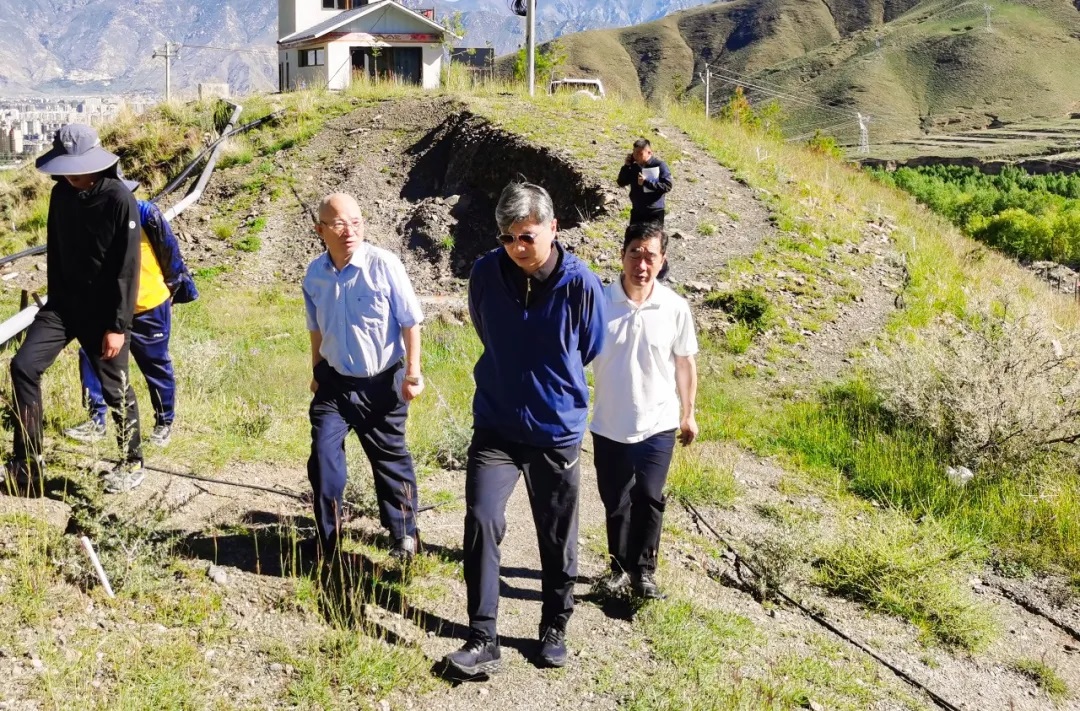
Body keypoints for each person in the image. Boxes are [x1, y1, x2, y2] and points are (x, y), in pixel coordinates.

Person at [442, 182, 605, 678]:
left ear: (552, 228)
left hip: (555, 431)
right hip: (496, 425)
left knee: (556, 533)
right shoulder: (486, 273)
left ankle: (554, 626)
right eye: (508, 237)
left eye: (526, 237)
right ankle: (482, 637)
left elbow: (591, 344)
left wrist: (549, 386)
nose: (516, 247)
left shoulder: (581, 284)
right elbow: (485, 328)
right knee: (482, 519)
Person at [4, 124, 144, 495]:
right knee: (23, 366)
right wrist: (53, 303)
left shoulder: (119, 198)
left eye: (77, 169)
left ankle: (131, 462)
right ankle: (28, 460)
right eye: (65, 169)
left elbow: (127, 266)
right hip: (63, 307)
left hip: (105, 314)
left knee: (115, 388)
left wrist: (118, 325)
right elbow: (56, 250)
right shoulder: (60, 194)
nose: (70, 176)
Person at [303, 193, 425, 563]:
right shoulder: (315, 274)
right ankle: (328, 540)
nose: (349, 231)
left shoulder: (384, 265)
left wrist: (413, 373)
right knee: (323, 458)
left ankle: (404, 535)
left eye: (356, 222)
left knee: (389, 460)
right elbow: (315, 328)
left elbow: (411, 322)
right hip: (334, 384)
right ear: (320, 230)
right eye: (339, 224)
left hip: (382, 383)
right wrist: (316, 371)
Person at [590, 222, 698, 600]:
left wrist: (688, 413)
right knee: (616, 500)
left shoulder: (674, 307)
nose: (642, 264)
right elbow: (575, 355)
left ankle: (644, 572)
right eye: (634, 253)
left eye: (650, 256)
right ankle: (619, 569)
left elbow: (684, 363)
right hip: (609, 422)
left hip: (659, 422)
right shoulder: (599, 303)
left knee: (650, 495)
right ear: (622, 255)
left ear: (662, 261)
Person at [65, 182, 199, 449]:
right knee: (91, 357)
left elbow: (170, 252)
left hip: (147, 305)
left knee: (155, 364)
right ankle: (96, 420)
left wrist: (172, 289)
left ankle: (164, 422)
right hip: (109, 308)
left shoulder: (145, 213)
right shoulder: (89, 217)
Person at [617, 138, 673, 227]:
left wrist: (646, 182)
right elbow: (621, 182)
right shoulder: (634, 166)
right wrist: (626, 166)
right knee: (634, 235)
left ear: (649, 152)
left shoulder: (659, 165)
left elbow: (667, 186)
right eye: (634, 153)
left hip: (654, 211)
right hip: (637, 210)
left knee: (652, 235)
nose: (636, 156)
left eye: (639, 153)